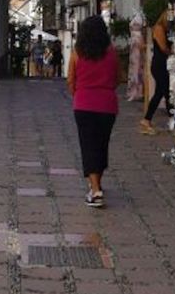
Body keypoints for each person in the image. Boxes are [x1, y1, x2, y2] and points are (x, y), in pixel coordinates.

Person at [67, 16, 118, 207]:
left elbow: (71, 80)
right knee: (101, 145)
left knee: (88, 145)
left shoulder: (77, 53)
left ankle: (95, 189)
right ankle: (96, 185)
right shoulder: (112, 53)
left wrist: (78, 95)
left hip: (83, 104)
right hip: (107, 105)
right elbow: (118, 78)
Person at [140, 6, 170, 135]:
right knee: (164, 91)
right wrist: (173, 52)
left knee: (162, 92)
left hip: (162, 64)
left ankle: (147, 119)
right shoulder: (159, 28)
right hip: (160, 64)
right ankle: (149, 119)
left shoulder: (163, 28)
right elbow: (163, 47)